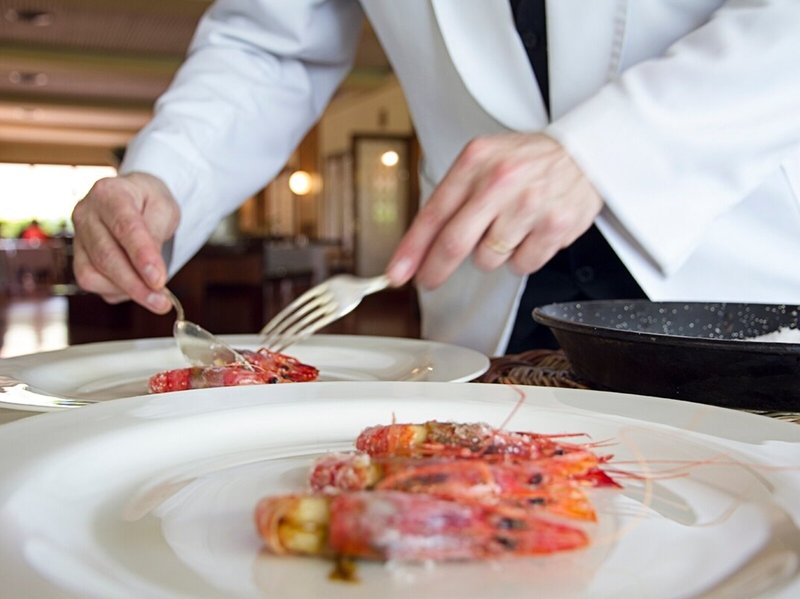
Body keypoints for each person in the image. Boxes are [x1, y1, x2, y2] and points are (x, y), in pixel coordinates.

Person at [71, 1, 800, 357]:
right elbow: (271, 45)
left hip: (732, 261)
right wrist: (167, 174)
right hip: (487, 295)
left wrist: (612, 146)